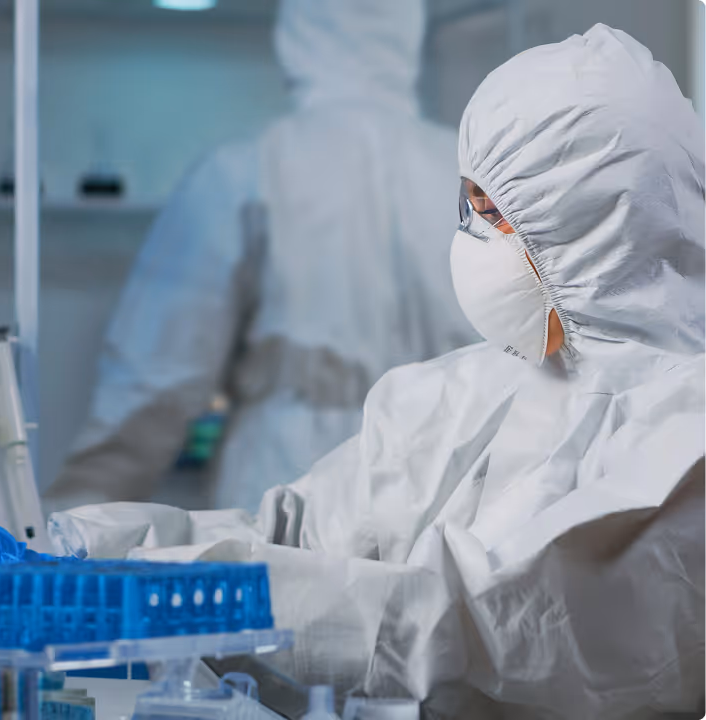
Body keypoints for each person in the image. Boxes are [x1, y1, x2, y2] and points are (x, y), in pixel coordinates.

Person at [47, 24, 705, 717]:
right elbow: (295, 533)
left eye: (491, 213)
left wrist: (169, 591)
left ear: (593, 228)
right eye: (469, 207)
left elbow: (468, 623)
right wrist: (78, 550)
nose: (471, 237)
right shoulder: (469, 391)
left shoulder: (679, 445)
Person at [43, 0, 478, 514]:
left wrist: (69, 519)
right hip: (441, 493)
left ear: (296, 34)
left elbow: (153, 383)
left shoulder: (247, 169)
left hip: (289, 484)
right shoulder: (470, 172)